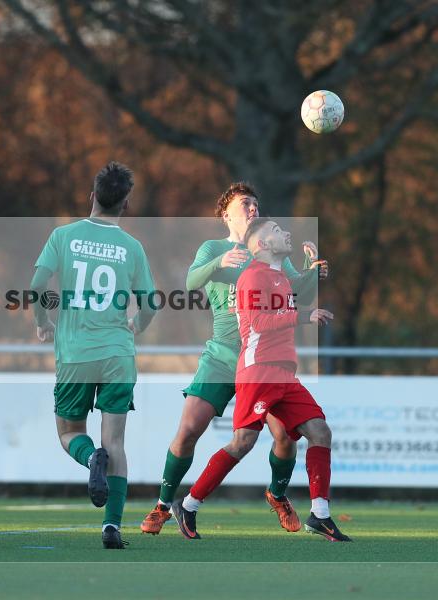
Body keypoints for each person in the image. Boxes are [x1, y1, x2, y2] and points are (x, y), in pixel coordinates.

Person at [141, 183, 328, 535]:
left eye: (256, 202)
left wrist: (311, 270)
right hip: (222, 358)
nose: (253, 207)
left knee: (286, 437)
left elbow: (298, 296)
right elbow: (190, 282)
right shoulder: (214, 248)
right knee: (188, 430)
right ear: (226, 214)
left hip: (262, 360)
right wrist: (217, 263)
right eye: (245, 203)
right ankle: (163, 506)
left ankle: (277, 495)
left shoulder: (272, 252)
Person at [171, 218, 351, 542]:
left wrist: (312, 271)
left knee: (320, 431)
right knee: (243, 442)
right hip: (258, 371)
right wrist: (304, 316)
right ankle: (188, 504)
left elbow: (297, 297)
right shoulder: (253, 276)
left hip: (283, 374)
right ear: (263, 244)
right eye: (277, 231)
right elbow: (257, 322)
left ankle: (320, 515)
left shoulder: (279, 276)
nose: (286, 233)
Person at [31, 162, 156, 549]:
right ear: (125, 205)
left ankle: (90, 460)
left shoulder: (63, 236)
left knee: (69, 432)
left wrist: (42, 322)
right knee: (115, 442)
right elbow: (150, 303)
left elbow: (37, 285)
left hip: (75, 354)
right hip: (118, 355)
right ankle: (111, 526)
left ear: (92, 196)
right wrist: (137, 325)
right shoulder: (132, 247)